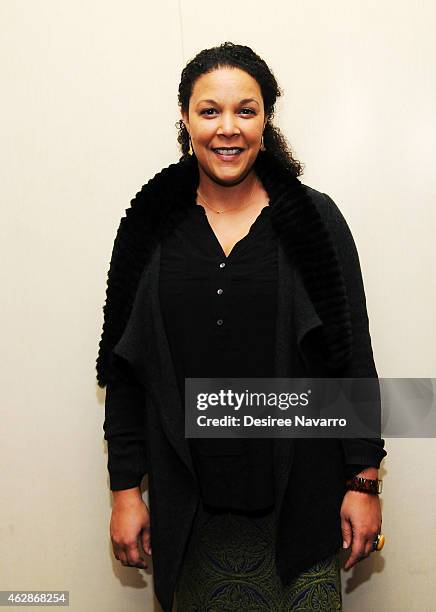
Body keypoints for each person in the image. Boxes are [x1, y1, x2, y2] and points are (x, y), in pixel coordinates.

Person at [96, 42, 387, 612]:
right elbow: (127, 371)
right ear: (184, 119)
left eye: (245, 110)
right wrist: (126, 491)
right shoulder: (148, 227)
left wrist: (364, 481)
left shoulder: (314, 220)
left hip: (300, 504)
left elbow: (352, 356)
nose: (227, 129)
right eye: (210, 111)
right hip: (192, 510)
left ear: (265, 119)